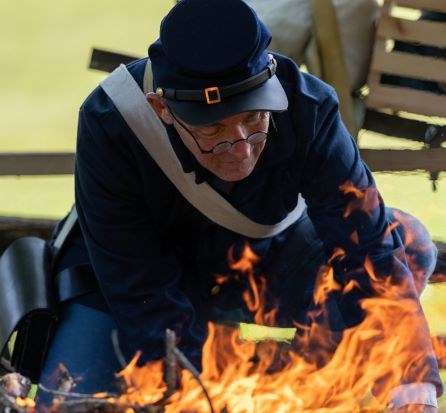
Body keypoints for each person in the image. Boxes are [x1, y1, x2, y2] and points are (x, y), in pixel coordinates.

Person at [36, 0, 442, 411]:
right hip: (130, 289)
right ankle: (234, 367)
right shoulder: (110, 122)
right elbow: (137, 287)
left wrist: (413, 382)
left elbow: (366, 245)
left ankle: (305, 378)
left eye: (253, 119)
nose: (242, 150)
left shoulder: (307, 105)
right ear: (162, 109)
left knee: (408, 244)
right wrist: (200, 392)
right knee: (67, 400)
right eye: (213, 128)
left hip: (256, 264)